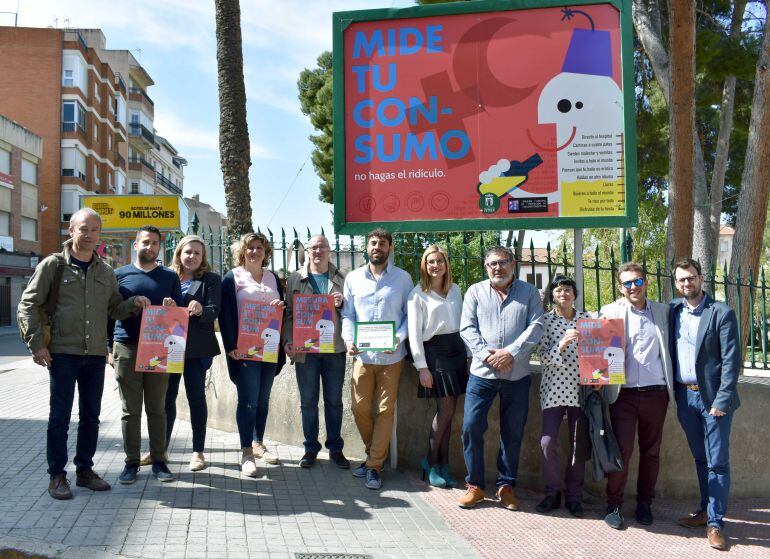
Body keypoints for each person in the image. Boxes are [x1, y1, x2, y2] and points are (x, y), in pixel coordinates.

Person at [17, 208, 150, 500]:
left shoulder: (105, 271)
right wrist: (36, 343)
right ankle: (57, 476)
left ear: (99, 234)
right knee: (60, 417)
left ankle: (85, 471)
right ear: (71, 231)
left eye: (94, 230)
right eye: (83, 229)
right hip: (62, 353)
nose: (88, 234)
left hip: (94, 354)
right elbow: (28, 304)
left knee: (91, 416)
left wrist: (134, 304)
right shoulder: (54, 265)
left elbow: (114, 308)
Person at [457, 246, 544, 510]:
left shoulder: (529, 292)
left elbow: (537, 325)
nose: (498, 268)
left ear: (513, 264)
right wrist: (486, 355)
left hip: (516, 374)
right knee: (471, 427)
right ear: (486, 268)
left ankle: (506, 486)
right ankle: (476, 486)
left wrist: (511, 353)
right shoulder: (475, 291)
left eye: (503, 263)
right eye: (492, 264)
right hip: (482, 374)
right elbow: (467, 327)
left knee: (513, 431)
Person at [670, 258, 740, 551]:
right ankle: (704, 512)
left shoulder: (721, 313)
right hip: (685, 398)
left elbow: (731, 361)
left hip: (713, 401)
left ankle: (715, 523)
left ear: (701, 278)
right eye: (682, 279)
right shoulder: (672, 311)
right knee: (701, 459)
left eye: (692, 278)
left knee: (717, 463)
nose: (688, 283)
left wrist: (721, 400)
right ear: (676, 283)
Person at [599, 262, 674, 530]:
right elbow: (599, 352)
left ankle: (645, 504)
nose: (634, 287)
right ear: (621, 287)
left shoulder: (664, 312)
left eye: (638, 281)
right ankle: (614, 505)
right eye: (628, 283)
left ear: (646, 283)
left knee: (651, 451)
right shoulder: (608, 312)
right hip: (624, 394)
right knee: (622, 450)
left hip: (656, 394)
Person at [341, 228, 413, 490]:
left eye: (382, 243)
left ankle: (373, 465)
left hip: (392, 356)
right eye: (373, 243)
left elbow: (409, 316)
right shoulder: (353, 278)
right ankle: (375, 455)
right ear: (367, 247)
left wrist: (399, 337)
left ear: (390, 248)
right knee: (359, 408)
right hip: (362, 354)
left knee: (384, 410)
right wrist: (349, 340)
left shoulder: (403, 279)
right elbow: (348, 314)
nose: (377, 247)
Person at [111, 225, 184, 485]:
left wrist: (172, 308)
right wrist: (131, 305)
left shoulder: (169, 276)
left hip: (159, 348)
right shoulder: (119, 274)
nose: (150, 247)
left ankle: (159, 460)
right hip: (127, 347)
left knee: (157, 408)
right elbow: (112, 312)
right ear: (135, 244)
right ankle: (131, 463)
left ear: (159, 247)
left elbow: (179, 314)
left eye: (154, 243)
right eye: (145, 242)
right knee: (131, 411)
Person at [219, 232, 285, 477]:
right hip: (244, 350)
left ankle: (258, 443)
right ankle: (246, 451)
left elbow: (282, 308)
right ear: (242, 251)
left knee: (263, 400)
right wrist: (230, 345)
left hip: (269, 348)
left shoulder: (273, 278)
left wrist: (281, 306)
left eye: (259, 247)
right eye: (250, 248)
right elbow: (225, 315)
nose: (255, 252)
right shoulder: (232, 278)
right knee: (248, 401)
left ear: (266, 252)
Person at [283, 234, 350, 469]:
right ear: (308, 252)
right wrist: (287, 341)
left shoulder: (343, 279)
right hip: (305, 351)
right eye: (313, 248)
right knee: (308, 402)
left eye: (322, 247)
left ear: (329, 250)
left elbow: (353, 314)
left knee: (334, 401)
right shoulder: (294, 279)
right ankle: (310, 449)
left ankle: (336, 449)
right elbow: (288, 314)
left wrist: (343, 304)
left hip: (335, 349)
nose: (318, 251)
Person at [407, 245, 467, 488]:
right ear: (424, 265)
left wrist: (470, 355)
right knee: (446, 410)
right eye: (430, 261)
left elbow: (464, 325)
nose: (435, 265)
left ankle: (444, 465)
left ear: (446, 264)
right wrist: (422, 367)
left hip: (457, 351)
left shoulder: (456, 290)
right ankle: (430, 462)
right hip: (435, 354)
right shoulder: (417, 293)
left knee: (450, 414)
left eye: (439, 261)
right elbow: (413, 334)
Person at [162, 235, 222, 472]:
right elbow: (157, 312)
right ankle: (161, 449)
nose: (192, 257)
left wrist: (201, 309)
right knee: (166, 399)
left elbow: (214, 310)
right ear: (179, 253)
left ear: (203, 257)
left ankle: (198, 451)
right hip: (169, 347)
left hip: (196, 350)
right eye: (188, 252)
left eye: (197, 253)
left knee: (196, 398)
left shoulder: (210, 279)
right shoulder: (167, 278)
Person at [535, 274, 591, 517]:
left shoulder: (587, 320)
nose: (563, 295)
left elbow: (599, 354)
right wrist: (562, 345)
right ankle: (553, 491)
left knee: (579, 445)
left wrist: (598, 380)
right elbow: (541, 356)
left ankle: (574, 496)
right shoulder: (545, 321)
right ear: (552, 296)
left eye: (567, 290)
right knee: (547, 442)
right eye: (558, 291)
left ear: (574, 294)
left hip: (581, 389)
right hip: (554, 389)